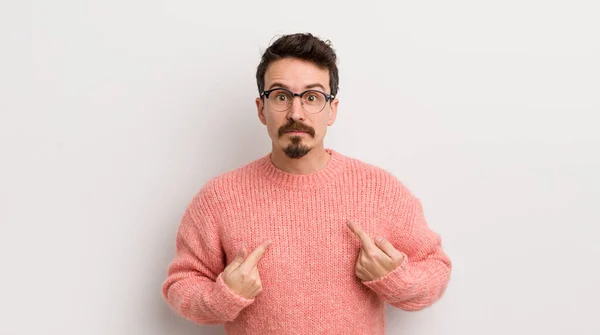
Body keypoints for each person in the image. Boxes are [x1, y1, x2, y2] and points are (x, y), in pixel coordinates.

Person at [161, 32, 452, 334]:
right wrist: (222, 297)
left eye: (312, 97)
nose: (295, 113)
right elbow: (180, 284)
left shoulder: (380, 190)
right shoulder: (218, 198)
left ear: (331, 110)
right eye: (281, 96)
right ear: (262, 109)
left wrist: (397, 280)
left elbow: (436, 269)